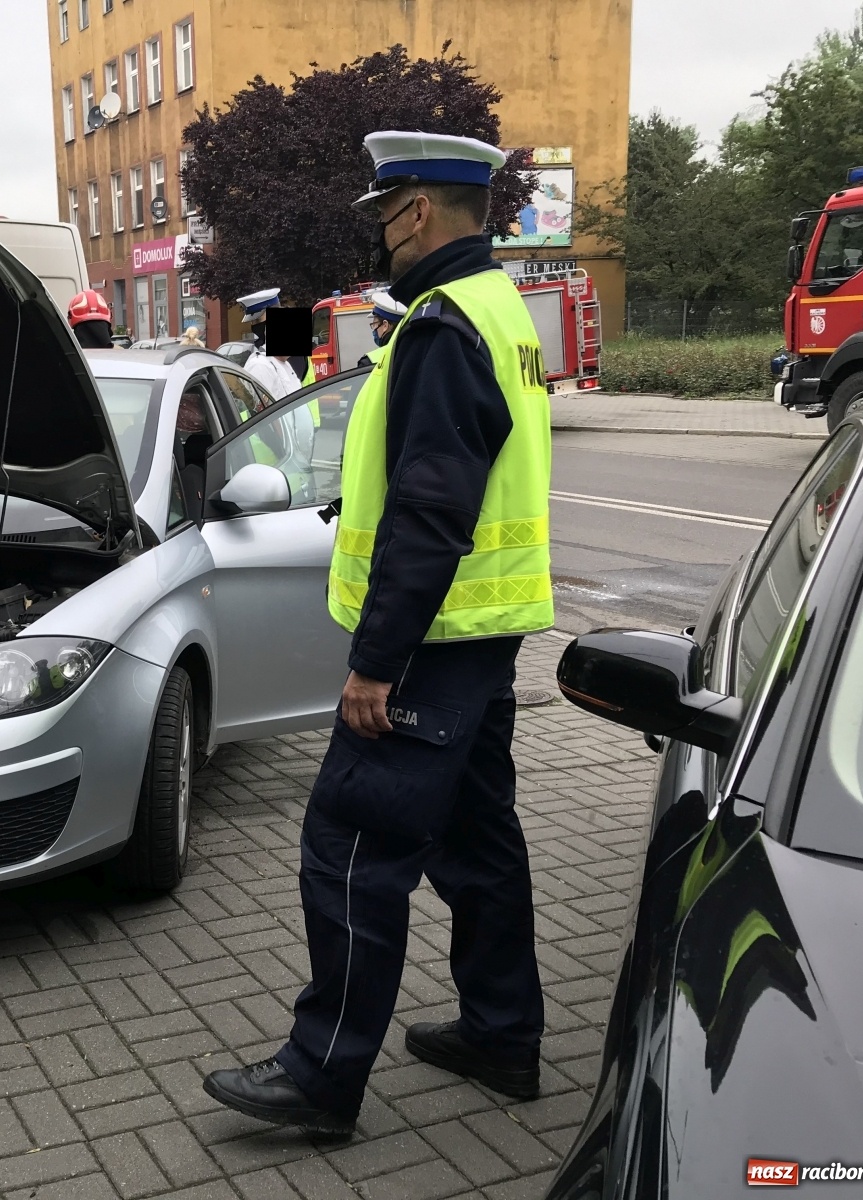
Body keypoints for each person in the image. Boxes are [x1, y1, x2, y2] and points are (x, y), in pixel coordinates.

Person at [200, 130, 554, 1136]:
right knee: (479, 844)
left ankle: (322, 1077)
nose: (382, 234)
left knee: (349, 849)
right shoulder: (500, 312)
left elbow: (429, 513)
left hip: (433, 645)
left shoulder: (443, 326)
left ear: (414, 212)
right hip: (484, 634)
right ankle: (499, 1034)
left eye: (384, 213)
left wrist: (374, 666)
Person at [364, 288, 409, 364]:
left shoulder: (370, 361)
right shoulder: (414, 352)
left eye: (375, 324)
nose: (374, 330)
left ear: (385, 325)